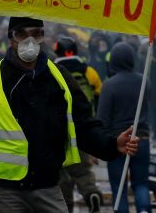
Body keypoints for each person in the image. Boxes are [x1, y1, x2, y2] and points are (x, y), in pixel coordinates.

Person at [0, 17, 139, 213]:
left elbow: (84, 125)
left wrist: (112, 145)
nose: (29, 41)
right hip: (3, 191)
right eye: (21, 34)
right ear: (11, 38)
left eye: (35, 34)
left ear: (43, 36)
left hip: (46, 185)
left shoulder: (60, 78)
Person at [98, 42, 151, 213]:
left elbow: (102, 118)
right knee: (141, 183)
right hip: (141, 139)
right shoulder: (144, 82)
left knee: (118, 188)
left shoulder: (109, 85)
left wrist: (101, 143)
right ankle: (144, 210)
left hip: (117, 143)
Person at [53, 36, 104, 213]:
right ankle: (91, 193)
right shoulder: (89, 72)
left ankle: (66, 206)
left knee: (61, 174)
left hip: (59, 131)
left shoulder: (51, 71)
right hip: (82, 130)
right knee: (82, 170)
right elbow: (98, 97)